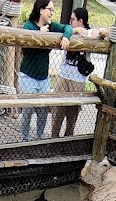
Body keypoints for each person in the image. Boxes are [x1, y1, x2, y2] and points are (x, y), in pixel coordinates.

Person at [18, 0, 71, 141]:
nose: (52, 13)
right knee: (28, 110)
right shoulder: (28, 26)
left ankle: (39, 139)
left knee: (43, 112)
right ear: (41, 10)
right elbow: (25, 48)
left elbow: (68, 27)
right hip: (28, 76)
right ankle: (24, 140)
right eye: (50, 9)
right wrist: (38, 34)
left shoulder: (51, 26)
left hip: (44, 78)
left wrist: (66, 36)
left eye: (53, 10)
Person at [51, 7, 106, 139]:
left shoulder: (88, 33)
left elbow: (102, 33)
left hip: (78, 78)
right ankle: (53, 137)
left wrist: (97, 32)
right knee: (57, 109)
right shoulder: (69, 31)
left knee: (73, 111)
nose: (70, 22)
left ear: (81, 21)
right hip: (63, 75)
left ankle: (68, 138)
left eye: (73, 20)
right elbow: (58, 29)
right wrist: (73, 30)